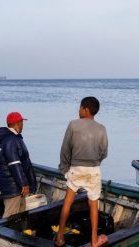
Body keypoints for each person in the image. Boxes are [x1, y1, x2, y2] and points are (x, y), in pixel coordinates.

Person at [55, 96, 108, 247]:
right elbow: (104, 152)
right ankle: (94, 240)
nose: (78, 110)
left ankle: (59, 237)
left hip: (76, 168)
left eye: (80, 108)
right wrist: (95, 162)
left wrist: (64, 168)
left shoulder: (73, 125)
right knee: (93, 204)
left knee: (68, 201)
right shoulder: (102, 128)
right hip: (94, 170)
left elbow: (65, 149)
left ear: (85, 109)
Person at [0, 112, 36, 218]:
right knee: (10, 216)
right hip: (13, 187)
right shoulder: (11, 140)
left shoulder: (10, 138)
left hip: (16, 186)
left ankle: (18, 233)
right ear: (17, 123)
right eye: (21, 122)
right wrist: (24, 184)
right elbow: (14, 164)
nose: (22, 125)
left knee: (20, 214)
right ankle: (2, 234)